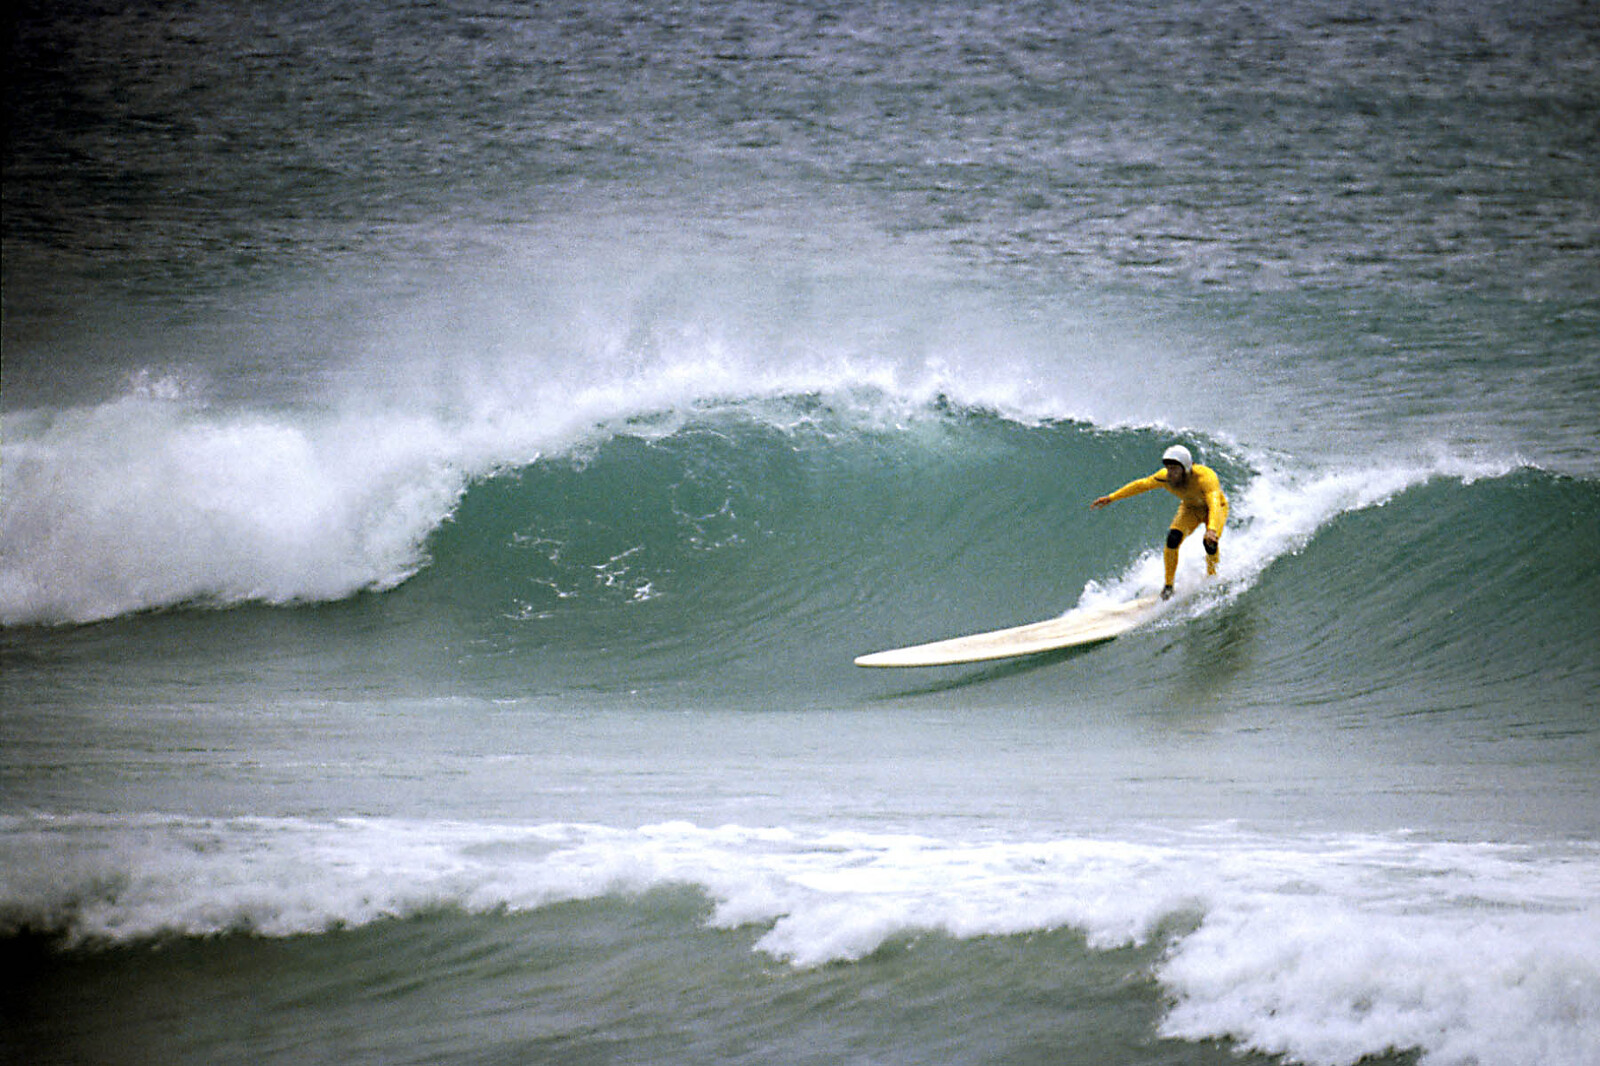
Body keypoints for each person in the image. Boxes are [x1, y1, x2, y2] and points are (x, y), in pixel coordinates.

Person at [1091, 445, 1228, 599]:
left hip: (1216, 509)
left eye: (1175, 469)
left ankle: (1212, 576)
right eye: (1169, 468)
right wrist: (1112, 497)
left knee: (1209, 542)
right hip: (1190, 509)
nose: (1171, 473)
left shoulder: (1205, 477)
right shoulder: (1164, 477)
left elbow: (1214, 503)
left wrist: (1211, 529)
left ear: (1186, 468)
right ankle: (1169, 586)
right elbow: (1141, 485)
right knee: (1172, 539)